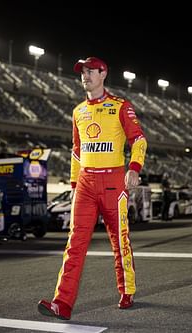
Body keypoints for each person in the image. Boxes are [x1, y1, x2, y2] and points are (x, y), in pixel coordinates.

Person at [38, 57, 147, 320]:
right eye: (82, 72)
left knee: (120, 242)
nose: (85, 76)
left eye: (90, 71)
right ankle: (61, 304)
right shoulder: (77, 111)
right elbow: (76, 152)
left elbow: (139, 139)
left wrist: (134, 167)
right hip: (85, 184)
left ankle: (127, 290)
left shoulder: (121, 106)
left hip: (113, 183)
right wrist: (74, 185)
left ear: (103, 74)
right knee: (74, 243)